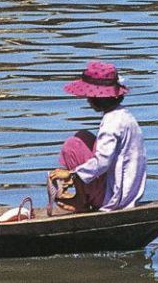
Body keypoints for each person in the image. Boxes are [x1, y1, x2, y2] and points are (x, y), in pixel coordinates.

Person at [48, 61, 145, 212]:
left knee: (72, 146)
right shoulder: (124, 115)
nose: (87, 100)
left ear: (99, 97)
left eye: (89, 96)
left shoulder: (112, 123)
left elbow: (102, 162)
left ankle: (82, 201)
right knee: (82, 137)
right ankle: (84, 196)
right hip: (129, 191)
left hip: (115, 198)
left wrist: (72, 175)